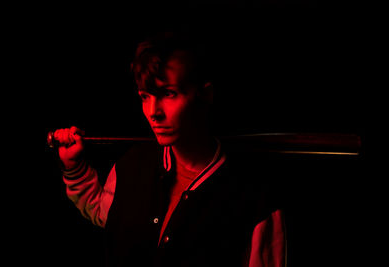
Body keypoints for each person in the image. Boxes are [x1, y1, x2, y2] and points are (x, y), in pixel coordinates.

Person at [53, 31, 286, 267]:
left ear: (205, 94)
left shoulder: (256, 200)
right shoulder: (131, 166)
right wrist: (75, 169)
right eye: (145, 96)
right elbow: (103, 212)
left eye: (168, 94)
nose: (153, 111)